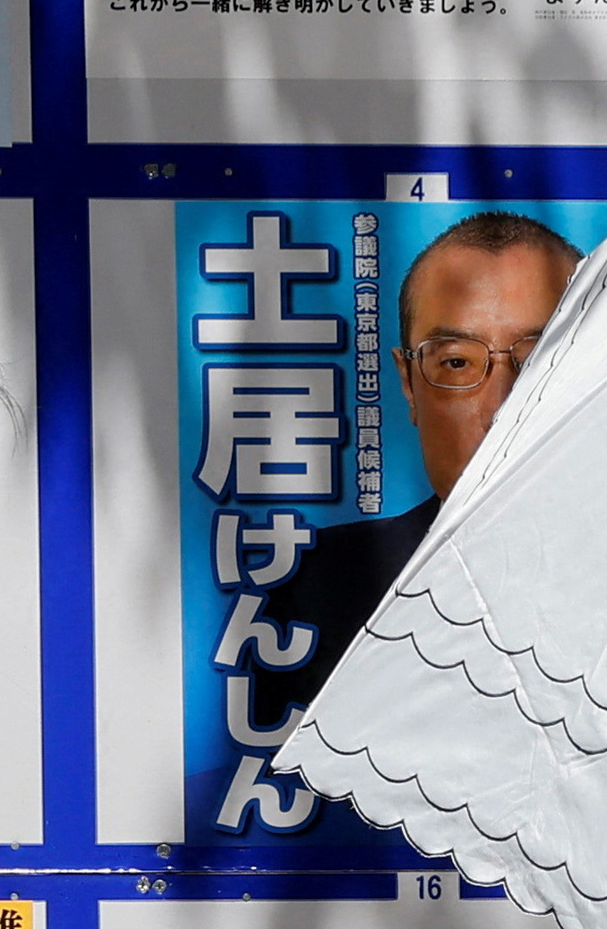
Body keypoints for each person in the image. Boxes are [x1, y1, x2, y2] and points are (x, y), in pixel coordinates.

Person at [236, 211, 587, 744]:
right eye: (456, 364)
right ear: (407, 384)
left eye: (539, 358)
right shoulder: (312, 591)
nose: (502, 407)